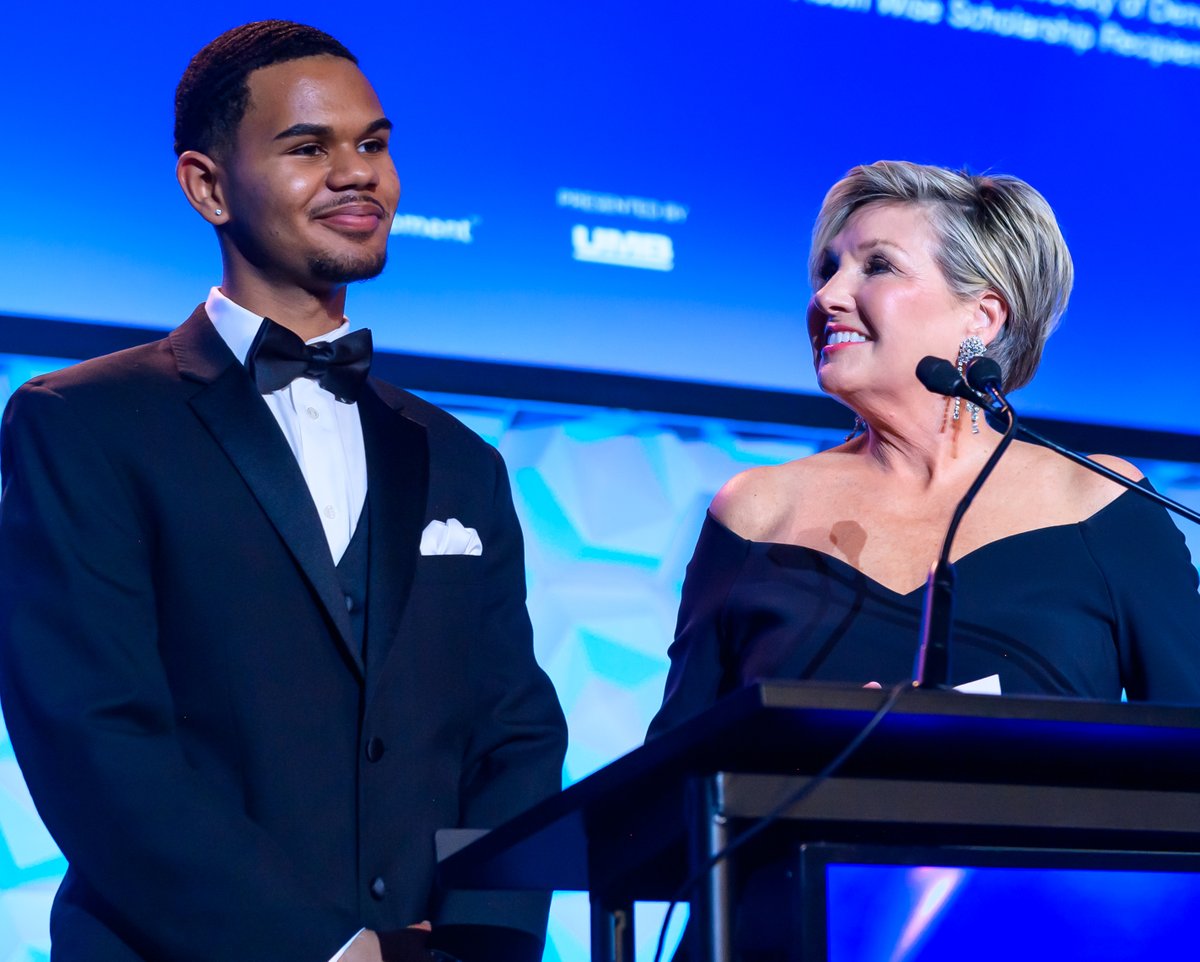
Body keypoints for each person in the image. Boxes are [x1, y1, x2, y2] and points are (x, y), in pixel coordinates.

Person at [0, 20, 566, 962]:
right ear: (206, 185)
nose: (358, 174)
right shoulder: (83, 421)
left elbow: (510, 731)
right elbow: (94, 738)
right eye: (308, 147)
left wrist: (482, 941)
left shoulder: (461, 458)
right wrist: (327, 950)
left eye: (374, 145)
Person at [649, 159, 1200, 740]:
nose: (829, 295)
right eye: (827, 270)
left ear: (982, 317)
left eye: (878, 266)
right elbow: (671, 782)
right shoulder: (757, 511)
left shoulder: (1097, 502)